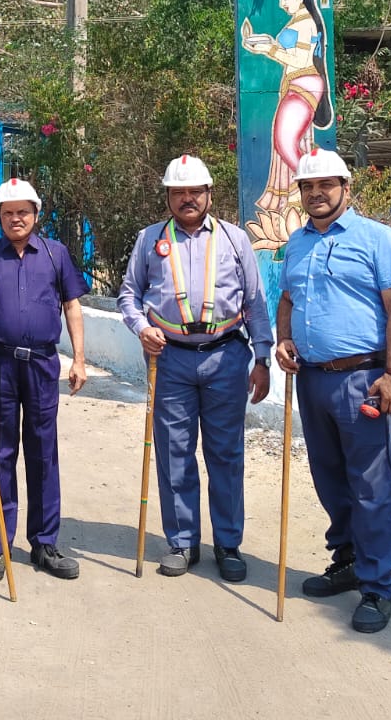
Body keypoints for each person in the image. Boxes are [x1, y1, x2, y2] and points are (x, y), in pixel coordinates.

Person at [274, 148, 391, 634]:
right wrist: (283, 340)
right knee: (330, 479)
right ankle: (348, 561)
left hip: (364, 381)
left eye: (326, 185)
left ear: (346, 189)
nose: (316, 193)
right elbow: (287, 299)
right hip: (313, 379)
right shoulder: (296, 243)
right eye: (307, 186)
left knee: (372, 487)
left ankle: (377, 587)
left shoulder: (378, 238)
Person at [118, 154, 272, 581]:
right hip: (169, 359)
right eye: (178, 192)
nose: (187, 198)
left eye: (194, 191)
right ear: (168, 197)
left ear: (209, 194)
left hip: (226, 356)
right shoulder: (149, 239)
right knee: (174, 452)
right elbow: (129, 295)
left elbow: (255, 303)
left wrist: (262, 358)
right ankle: (183, 541)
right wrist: (141, 328)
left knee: (226, 453)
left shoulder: (235, 239)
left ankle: (228, 543)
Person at [0, 177, 88, 583]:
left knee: (43, 453)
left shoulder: (56, 254)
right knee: (0, 453)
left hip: (42, 365)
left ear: (36, 214)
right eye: (8, 213)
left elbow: (72, 306)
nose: (15, 219)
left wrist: (79, 360)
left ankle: (44, 543)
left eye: (23, 212)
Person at [240, 0, 334, 250]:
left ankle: (310, 183)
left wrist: (269, 48)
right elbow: (287, 52)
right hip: (296, 83)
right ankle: (300, 190)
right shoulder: (297, 21)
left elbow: (301, 58)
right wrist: (265, 45)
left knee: (284, 141)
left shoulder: (306, 23)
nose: (282, 4)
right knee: (286, 142)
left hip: (303, 82)